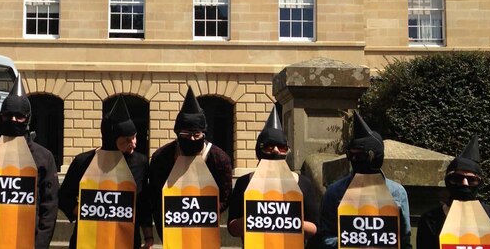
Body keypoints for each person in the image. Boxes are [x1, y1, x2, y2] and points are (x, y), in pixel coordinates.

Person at [0, 81, 59, 248]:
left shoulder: (44, 158)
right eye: (8, 116)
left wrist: (39, 245)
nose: (13, 120)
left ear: (27, 118)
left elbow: (49, 208)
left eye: (19, 116)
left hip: (29, 241)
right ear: (1, 116)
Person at [59, 97, 155, 249]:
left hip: (126, 239)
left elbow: (143, 204)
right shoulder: (83, 162)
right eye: (126, 141)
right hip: (88, 239)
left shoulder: (140, 162)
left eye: (134, 137)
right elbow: (63, 197)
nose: (133, 144)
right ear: (111, 140)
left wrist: (149, 236)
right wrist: (81, 210)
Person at [148, 87, 233, 241]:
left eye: (196, 135)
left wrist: (204, 214)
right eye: (186, 135)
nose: (192, 140)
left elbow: (225, 197)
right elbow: (154, 196)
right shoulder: (161, 158)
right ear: (178, 134)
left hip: (205, 228)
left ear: (203, 134)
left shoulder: (220, 159)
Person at [227, 104, 319, 244]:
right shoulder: (244, 182)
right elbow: (232, 228)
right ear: (259, 149)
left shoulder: (303, 183)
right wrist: (257, 219)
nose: (276, 150)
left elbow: (313, 227)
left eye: (281, 147)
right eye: (270, 146)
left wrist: (283, 220)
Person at [318, 112, 412, 249]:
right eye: (351, 155)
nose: (355, 160)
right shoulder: (334, 192)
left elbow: (404, 240)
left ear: (375, 156)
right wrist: (352, 244)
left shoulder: (397, 192)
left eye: (360, 155)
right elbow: (325, 237)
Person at [416, 136, 490, 249]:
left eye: (471, 180)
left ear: (479, 183)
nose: (465, 183)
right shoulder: (430, 219)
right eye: (458, 178)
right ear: (448, 181)